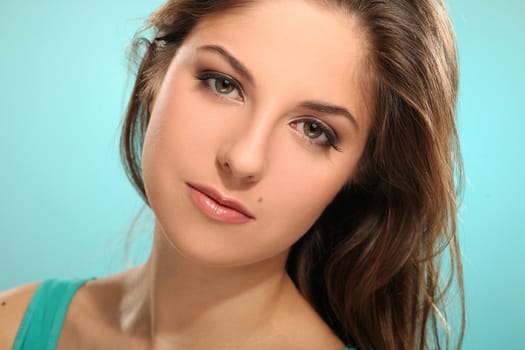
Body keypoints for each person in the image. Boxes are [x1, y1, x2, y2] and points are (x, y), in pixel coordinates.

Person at [0, 0, 465, 349]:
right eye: (224, 84)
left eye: (313, 130)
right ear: (156, 71)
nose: (243, 159)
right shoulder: (13, 324)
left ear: (361, 171)